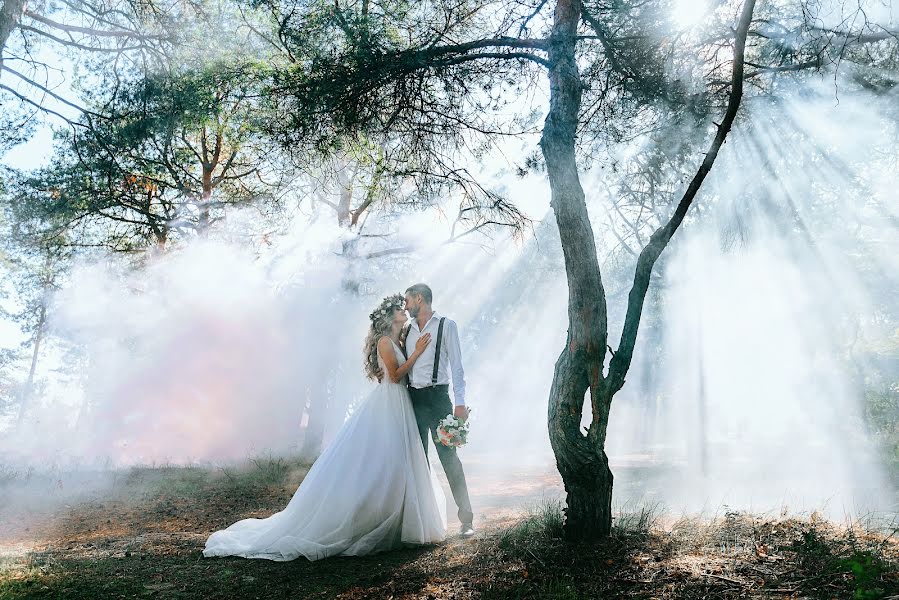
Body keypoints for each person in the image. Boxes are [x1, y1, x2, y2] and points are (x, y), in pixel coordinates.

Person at [202, 294, 446, 561]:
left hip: (399, 404)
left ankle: (401, 519)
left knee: (399, 459)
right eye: (400, 309)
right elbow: (396, 375)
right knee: (384, 459)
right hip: (390, 401)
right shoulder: (385, 342)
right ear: (390, 317)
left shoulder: (398, 340)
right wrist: (418, 353)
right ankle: (375, 518)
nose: (404, 311)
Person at [403, 283, 475, 536]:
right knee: (418, 460)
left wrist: (460, 402)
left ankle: (466, 519)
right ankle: (423, 523)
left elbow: (457, 366)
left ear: (419, 299)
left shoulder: (447, 326)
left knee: (449, 458)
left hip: (438, 399)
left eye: (408, 301)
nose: (406, 306)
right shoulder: (407, 330)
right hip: (413, 399)